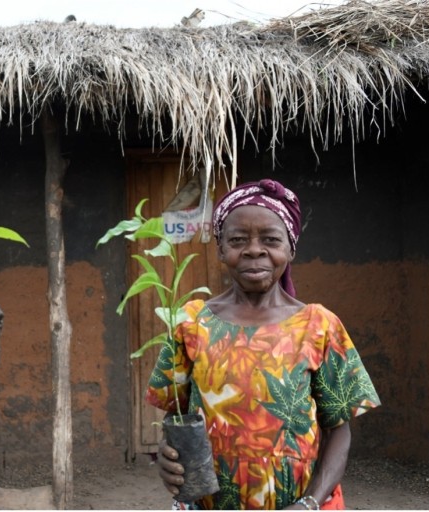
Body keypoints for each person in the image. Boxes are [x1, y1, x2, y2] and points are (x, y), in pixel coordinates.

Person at [147, 179, 381, 510]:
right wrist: (167, 458)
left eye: (270, 239)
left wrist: (310, 503)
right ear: (220, 249)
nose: (254, 249)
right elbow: (176, 416)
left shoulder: (318, 326)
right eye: (238, 239)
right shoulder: (192, 322)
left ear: (291, 248)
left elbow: (339, 431)